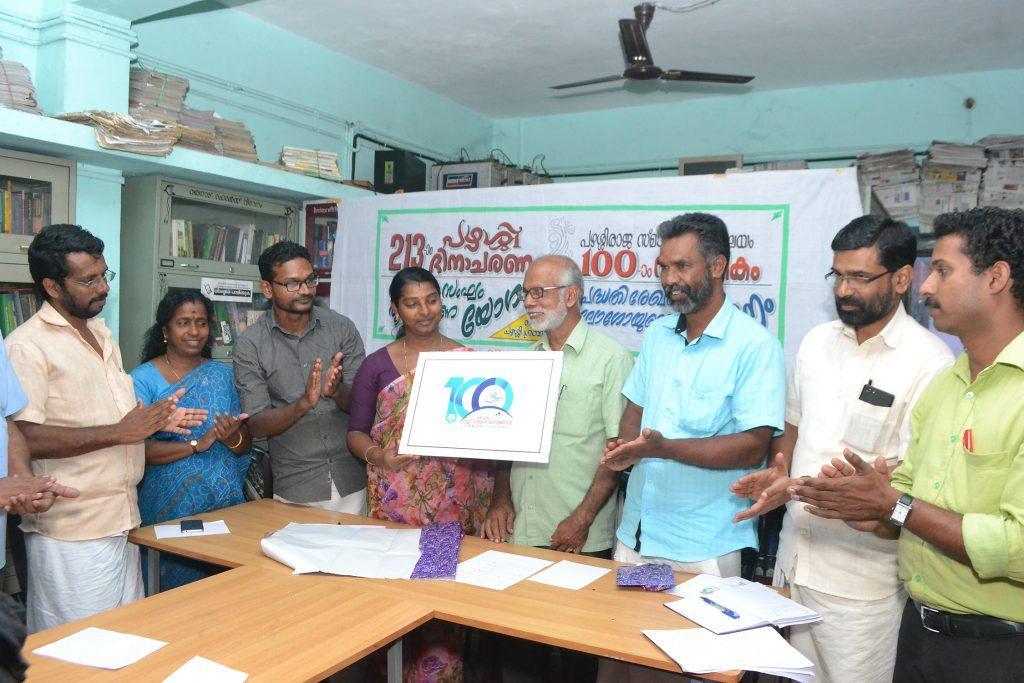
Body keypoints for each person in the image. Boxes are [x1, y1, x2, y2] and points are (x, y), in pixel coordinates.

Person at [789, 207, 1024, 683]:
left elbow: (1015, 546)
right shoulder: (950, 385)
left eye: (942, 271)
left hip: (998, 646)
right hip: (921, 629)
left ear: (996, 277)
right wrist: (864, 505)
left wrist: (890, 504)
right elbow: (907, 503)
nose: (927, 287)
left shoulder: (938, 367)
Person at [729, 216, 953, 683]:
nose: (844, 290)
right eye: (838, 275)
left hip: (860, 587)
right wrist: (781, 474)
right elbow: (793, 423)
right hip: (793, 564)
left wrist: (862, 495)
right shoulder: (816, 342)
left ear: (902, 279)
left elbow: (914, 480)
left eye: (860, 277)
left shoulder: (930, 363)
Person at [5, 224, 203, 632]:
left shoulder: (100, 332)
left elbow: (113, 415)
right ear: (52, 286)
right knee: (76, 649)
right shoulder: (27, 345)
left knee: (126, 638)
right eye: (89, 280)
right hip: (72, 529)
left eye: (104, 275)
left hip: (122, 515)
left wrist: (155, 421)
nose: (103, 288)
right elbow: (24, 436)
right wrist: (120, 431)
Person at [481, 254, 632, 682]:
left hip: (577, 537)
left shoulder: (611, 359)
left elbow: (617, 454)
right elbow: (504, 443)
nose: (529, 302)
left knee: (575, 661)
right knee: (518, 659)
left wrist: (582, 519)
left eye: (538, 292)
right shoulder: (526, 360)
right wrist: (500, 500)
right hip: (521, 532)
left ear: (571, 296)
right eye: (525, 293)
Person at [347, 266, 493, 682]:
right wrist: (379, 455)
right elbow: (355, 433)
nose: (424, 311)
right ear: (396, 309)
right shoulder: (376, 365)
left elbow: (487, 429)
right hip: (396, 511)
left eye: (431, 300)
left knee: (442, 611)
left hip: (452, 511)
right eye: (412, 303)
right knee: (392, 608)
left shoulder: (467, 360)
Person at [131, 289, 253, 590]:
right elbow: (135, 450)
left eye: (201, 323)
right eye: (183, 323)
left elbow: (244, 447)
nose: (194, 331)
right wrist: (196, 445)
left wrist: (232, 437)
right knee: (171, 594)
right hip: (168, 511)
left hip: (223, 509)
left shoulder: (222, 375)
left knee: (222, 593)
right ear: (165, 330)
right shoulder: (142, 379)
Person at [233, 241, 367, 513]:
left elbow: (364, 406)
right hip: (297, 487)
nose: (305, 290)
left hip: (353, 480)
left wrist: (337, 391)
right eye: (292, 284)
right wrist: (303, 403)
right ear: (268, 288)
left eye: (310, 280)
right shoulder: (251, 345)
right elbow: (256, 425)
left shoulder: (341, 328)